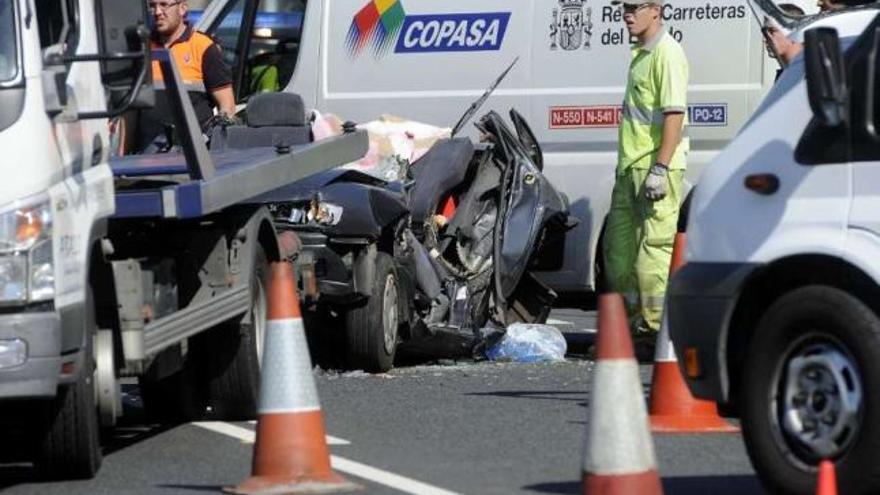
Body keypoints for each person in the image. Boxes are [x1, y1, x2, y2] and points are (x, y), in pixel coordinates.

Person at [604, 0, 689, 360]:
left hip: (654, 168)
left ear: (656, 10)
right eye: (622, 7)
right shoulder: (640, 53)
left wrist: (661, 166)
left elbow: (674, 114)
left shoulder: (667, 54)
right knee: (618, 254)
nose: (626, 14)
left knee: (652, 254)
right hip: (630, 167)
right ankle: (632, 330)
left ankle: (656, 335)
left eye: (633, 7)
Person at [136, 0, 235, 152]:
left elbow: (227, 106)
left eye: (164, 5)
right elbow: (130, 112)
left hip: (195, 157)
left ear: (182, 8)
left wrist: (216, 151)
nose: (157, 12)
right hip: (146, 157)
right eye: (152, 6)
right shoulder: (141, 49)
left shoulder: (203, 47)